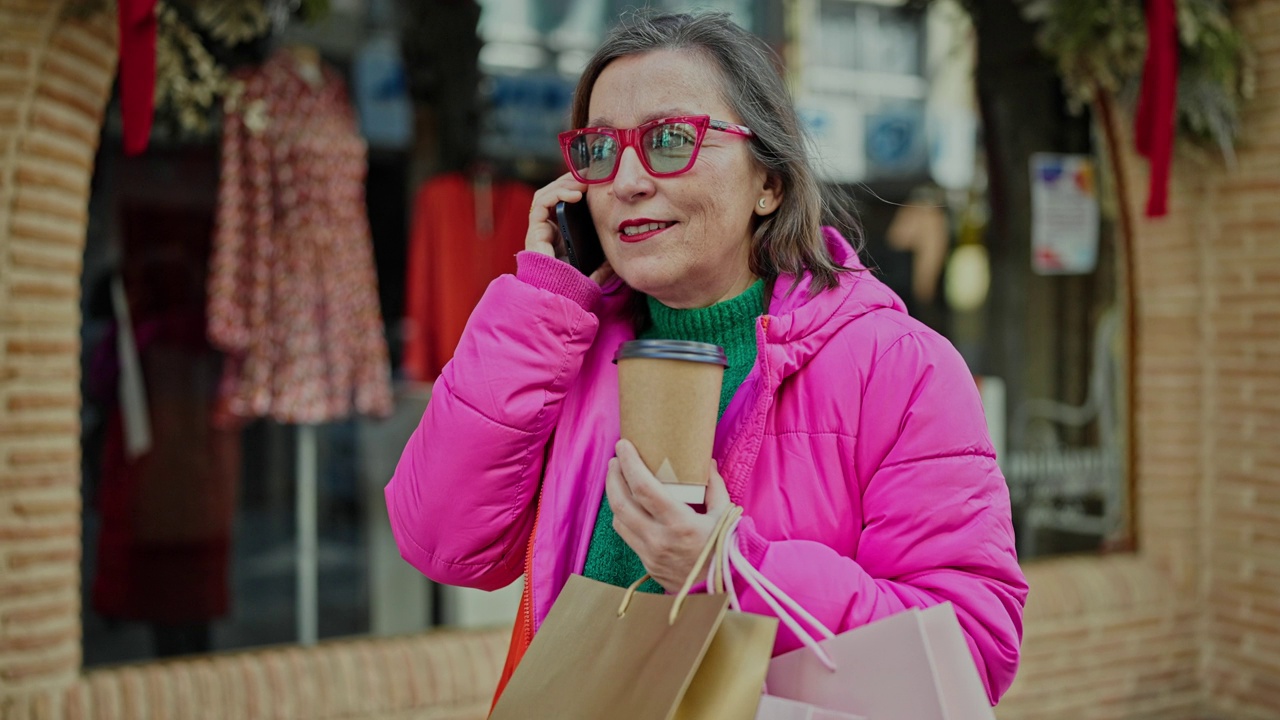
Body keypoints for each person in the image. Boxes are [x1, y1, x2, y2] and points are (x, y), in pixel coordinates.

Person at [385, 10, 1028, 707]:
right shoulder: (563, 345)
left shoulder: (899, 367)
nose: (625, 181)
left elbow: (968, 650)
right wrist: (538, 303)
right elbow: (441, 542)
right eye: (599, 149)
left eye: (669, 140)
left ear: (770, 183)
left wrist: (728, 568)